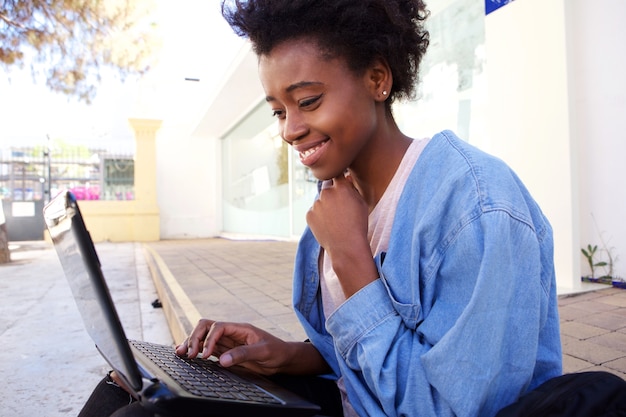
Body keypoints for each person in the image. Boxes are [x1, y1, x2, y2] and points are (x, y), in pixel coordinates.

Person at [78, 0, 563, 416]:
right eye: (278, 111)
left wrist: (352, 258)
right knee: (130, 386)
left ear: (377, 79)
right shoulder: (335, 199)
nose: (289, 129)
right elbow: (357, 354)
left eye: (308, 101)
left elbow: (451, 407)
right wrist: (286, 356)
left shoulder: (476, 206)